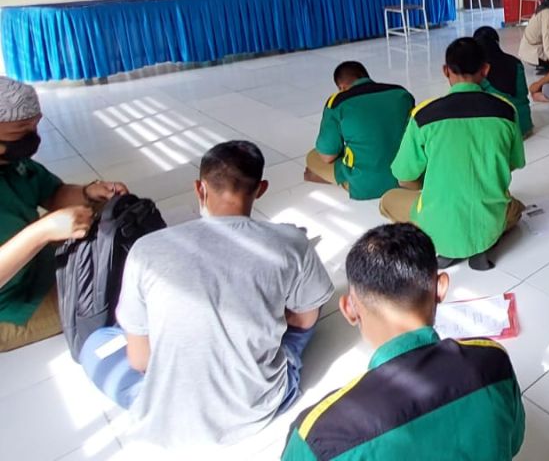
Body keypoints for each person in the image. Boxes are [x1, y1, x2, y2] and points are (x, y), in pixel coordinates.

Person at [79, 141, 334, 448]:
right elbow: (305, 319)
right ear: (262, 189)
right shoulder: (291, 241)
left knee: (96, 344)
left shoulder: (147, 250)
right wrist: (267, 314)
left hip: (171, 412)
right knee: (310, 307)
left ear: (199, 189)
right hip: (261, 403)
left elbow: (140, 359)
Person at [281, 223, 525, 460]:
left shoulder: (317, 437)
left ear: (349, 309)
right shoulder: (493, 361)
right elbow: (513, 441)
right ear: (440, 289)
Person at [0, 76, 128, 352]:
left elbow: (51, 192)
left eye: (35, 125)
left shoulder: (11, 160)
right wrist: (42, 231)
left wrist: (88, 193)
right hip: (9, 307)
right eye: (21, 129)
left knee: (105, 219)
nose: (31, 136)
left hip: (34, 263)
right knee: (117, 296)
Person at [380, 39, 525, 271]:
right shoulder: (506, 110)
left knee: (388, 200)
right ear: (485, 70)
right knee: (516, 207)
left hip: (436, 228)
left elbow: (403, 176)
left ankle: (446, 246)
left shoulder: (424, 115)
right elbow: (514, 163)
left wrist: (431, 186)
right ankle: (480, 247)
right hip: (489, 226)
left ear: (446, 71)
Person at [305, 61, 415, 200]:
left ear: (342, 87)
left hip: (366, 183)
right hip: (408, 177)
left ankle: (337, 180)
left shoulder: (338, 102)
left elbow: (328, 156)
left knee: (314, 156)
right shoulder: (401, 93)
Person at [474, 27, 533, 137]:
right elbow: (524, 92)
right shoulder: (516, 63)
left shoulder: (479, 69)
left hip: (500, 132)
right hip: (524, 126)